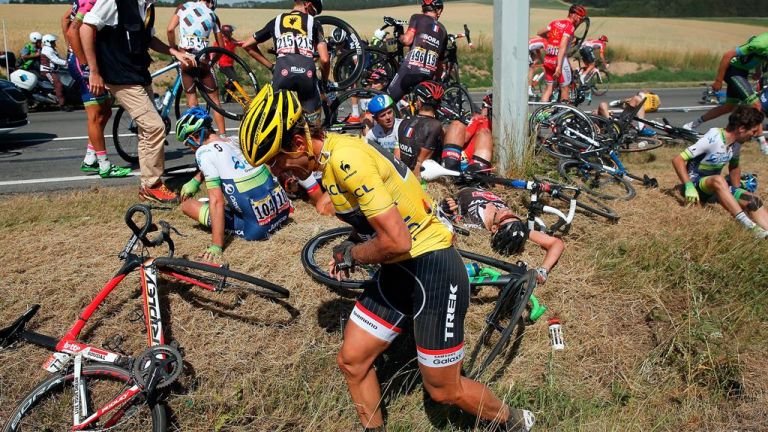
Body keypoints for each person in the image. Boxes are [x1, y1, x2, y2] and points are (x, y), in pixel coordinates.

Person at [238, 83, 536, 432]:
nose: (276, 172)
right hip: (401, 269)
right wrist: (352, 244)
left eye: (275, 161)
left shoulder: (348, 161)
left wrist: (352, 254)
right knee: (353, 361)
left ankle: (515, 422)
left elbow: (396, 239)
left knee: (443, 390)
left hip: (432, 268)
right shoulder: (332, 159)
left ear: (300, 144)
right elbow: (375, 220)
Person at [81, 0, 196, 203]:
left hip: (138, 74)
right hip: (119, 76)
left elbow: (148, 39)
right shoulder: (115, 2)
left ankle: (148, 185)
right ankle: (152, 185)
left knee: (147, 130)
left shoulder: (148, 7)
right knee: (154, 127)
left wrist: (174, 51)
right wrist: (94, 71)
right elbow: (85, 28)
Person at [176, 107, 293, 262]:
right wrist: (197, 179)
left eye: (188, 143)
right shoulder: (232, 140)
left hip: (257, 229)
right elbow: (222, 160)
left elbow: (217, 201)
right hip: (282, 211)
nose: (190, 148)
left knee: (187, 205)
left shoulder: (203, 153)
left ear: (196, 136)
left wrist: (216, 245)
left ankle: (226, 228)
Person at [672, 105, 768, 238]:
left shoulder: (736, 144)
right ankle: (748, 226)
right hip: (696, 186)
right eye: (753, 131)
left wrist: (736, 192)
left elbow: (734, 167)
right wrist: (688, 186)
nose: (755, 135)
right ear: (741, 129)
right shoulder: (713, 138)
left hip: (715, 188)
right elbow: (678, 160)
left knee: (753, 199)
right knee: (718, 179)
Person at [62, 0, 131, 178]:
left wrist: (70, 52)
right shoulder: (92, 1)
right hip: (83, 63)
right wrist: (84, 64)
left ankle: (90, 158)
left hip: (81, 59)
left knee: (106, 110)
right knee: (95, 114)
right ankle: (104, 165)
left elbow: (65, 19)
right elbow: (72, 31)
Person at [439, 186, 564, 284]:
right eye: (514, 216)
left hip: (465, 182)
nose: (508, 211)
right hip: (487, 183)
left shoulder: (473, 223)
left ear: (494, 228)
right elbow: (556, 243)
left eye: (506, 216)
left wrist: (447, 206)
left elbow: (447, 218)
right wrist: (543, 270)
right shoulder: (518, 228)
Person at [238, 0, 329, 124]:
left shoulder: (276, 21)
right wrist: (324, 82)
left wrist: (270, 66)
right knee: (313, 124)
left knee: (277, 120)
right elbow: (324, 59)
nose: (312, 16)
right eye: (313, 12)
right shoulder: (314, 23)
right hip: (306, 74)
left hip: (282, 72)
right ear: (307, 4)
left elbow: (247, 45)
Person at [683, 32, 768, 153]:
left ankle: (691, 125)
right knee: (756, 105)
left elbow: (759, 57)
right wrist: (718, 80)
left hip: (742, 72)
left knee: (728, 107)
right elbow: (727, 55)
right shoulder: (760, 44)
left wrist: (758, 70)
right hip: (733, 71)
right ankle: (763, 143)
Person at [166, 0, 226, 136]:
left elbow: (170, 30)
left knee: (192, 101)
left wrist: (175, 50)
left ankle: (197, 137)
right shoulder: (213, 15)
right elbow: (221, 47)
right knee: (215, 101)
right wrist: (212, 62)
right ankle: (223, 136)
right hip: (203, 60)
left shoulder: (183, 7)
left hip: (186, 58)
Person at [386, 0, 448, 102]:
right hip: (428, 74)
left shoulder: (417, 17)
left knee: (387, 102)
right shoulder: (443, 30)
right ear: (439, 10)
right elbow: (440, 64)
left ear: (423, 8)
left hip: (410, 70)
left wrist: (399, 36)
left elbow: (407, 40)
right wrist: (437, 81)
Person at [537, 4, 588, 103]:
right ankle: (563, 115)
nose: (580, 19)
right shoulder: (569, 27)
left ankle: (541, 114)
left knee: (549, 89)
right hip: (559, 60)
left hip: (548, 59)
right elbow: (563, 46)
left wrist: (551, 39)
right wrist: (559, 66)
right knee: (565, 88)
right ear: (573, 15)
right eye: (579, 17)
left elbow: (540, 32)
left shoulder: (555, 23)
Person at [395, 80, 446, 177]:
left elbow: (397, 156)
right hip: (421, 179)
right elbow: (420, 163)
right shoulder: (436, 126)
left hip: (401, 175)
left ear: (418, 102)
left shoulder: (403, 122)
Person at [595, 91, 659, 137]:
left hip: (619, 122)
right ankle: (612, 125)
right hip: (609, 127)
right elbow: (609, 105)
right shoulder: (593, 119)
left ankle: (641, 128)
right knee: (601, 105)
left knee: (636, 99)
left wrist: (623, 101)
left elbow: (613, 104)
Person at [39, 34, 69, 110]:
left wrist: (67, 63)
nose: (54, 43)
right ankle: (62, 105)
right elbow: (55, 60)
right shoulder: (47, 49)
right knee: (58, 85)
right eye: (53, 42)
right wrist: (66, 63)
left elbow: (58, 58)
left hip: (53, 70)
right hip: (47, 71)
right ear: (47, 42)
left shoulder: (51, 49)